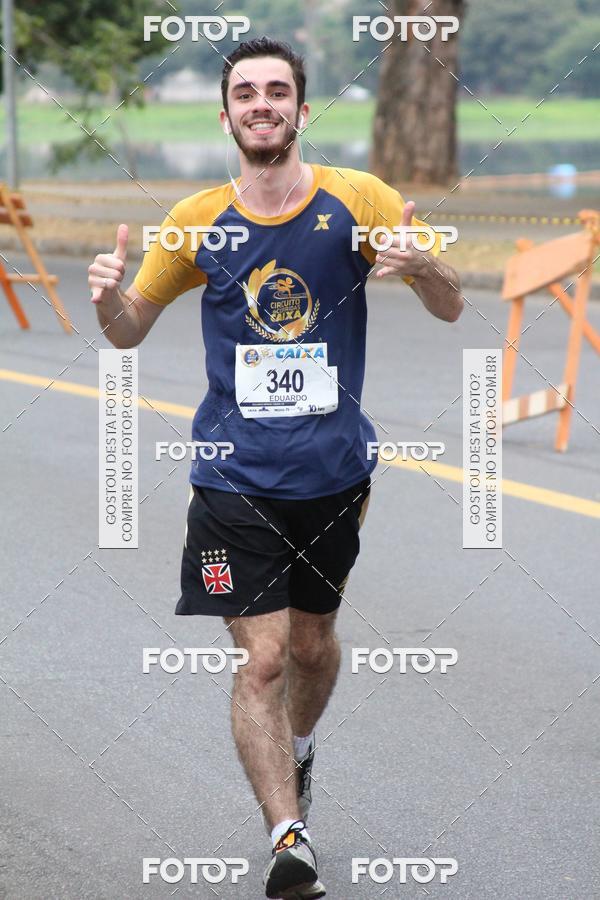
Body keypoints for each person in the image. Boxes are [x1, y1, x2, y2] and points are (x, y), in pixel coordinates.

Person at [88, 36, 462, 899]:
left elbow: (446, 307)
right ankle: (288, 835)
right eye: (246, 93)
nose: (262, 104)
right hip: (230, 478)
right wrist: (109, 298)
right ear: (226, 116)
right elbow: (127, 330)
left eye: (278, 91)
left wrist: (425, 265)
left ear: (300, 109)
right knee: (262, 660)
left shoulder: (358, 199)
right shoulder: (195, 219)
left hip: (333, 475)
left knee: (313, 647)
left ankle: (297, 754)